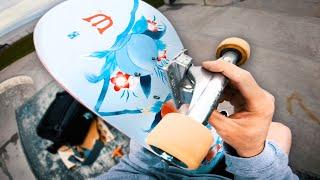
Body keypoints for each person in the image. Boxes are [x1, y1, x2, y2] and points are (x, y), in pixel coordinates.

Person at [97, 60, 298, 179]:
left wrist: (151, 147)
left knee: (277, 131)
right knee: (280, 131)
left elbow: (132, 170)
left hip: (165, 166)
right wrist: (253, 154)